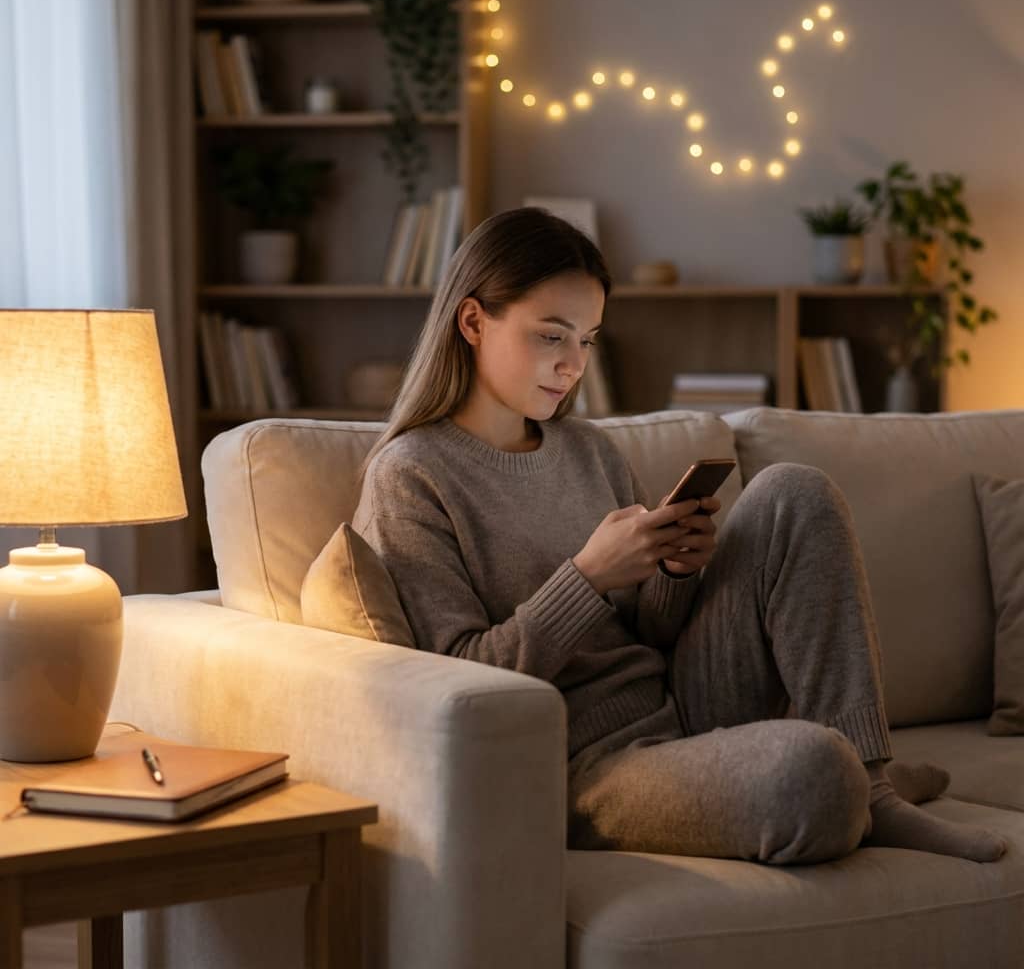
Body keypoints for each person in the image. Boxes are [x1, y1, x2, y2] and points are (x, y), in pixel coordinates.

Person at [353, 207, 1006, 865]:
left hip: (681, 699)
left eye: (588, 339)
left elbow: (653, 636)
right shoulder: (410, 478)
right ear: (472, 322)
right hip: (582, 763)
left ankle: (874, 786)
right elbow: (460, 688)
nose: (574, 364)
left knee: (793, 491)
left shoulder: (587, 450)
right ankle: (834, 782)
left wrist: (673, 571)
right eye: (552, 336)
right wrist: (587, 578)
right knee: (809, 772)